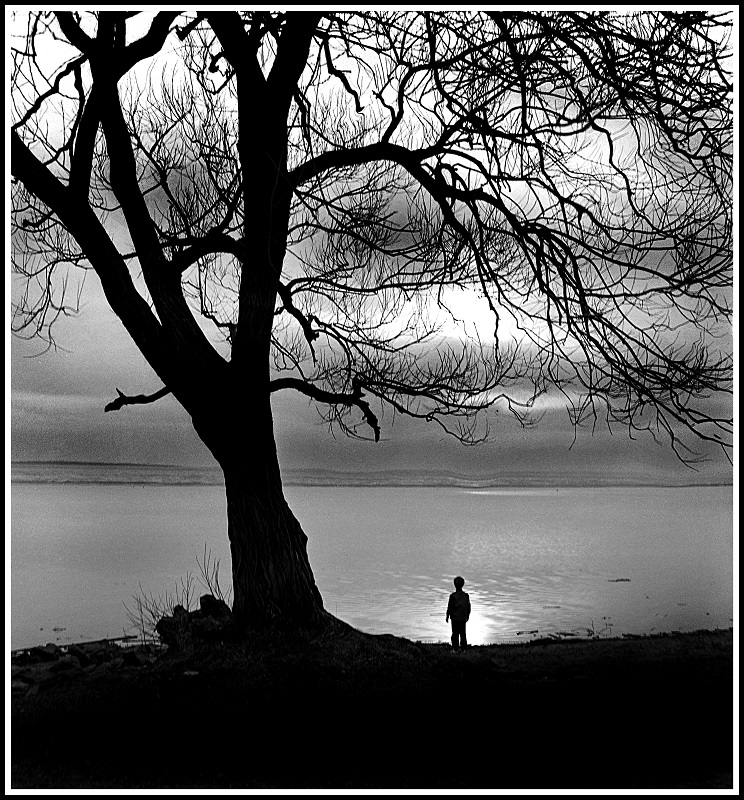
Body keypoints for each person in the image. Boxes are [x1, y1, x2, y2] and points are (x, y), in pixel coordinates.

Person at [446, 576, 471, 649]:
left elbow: (450, 607)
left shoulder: (453, 596)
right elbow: (468, 607)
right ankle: (463, 648)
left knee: (455, 634)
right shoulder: (466, 596)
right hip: (463, 617)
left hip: (455, 617)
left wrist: (447, 615)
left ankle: (455, 648)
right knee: (463, 634)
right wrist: (467, 615)